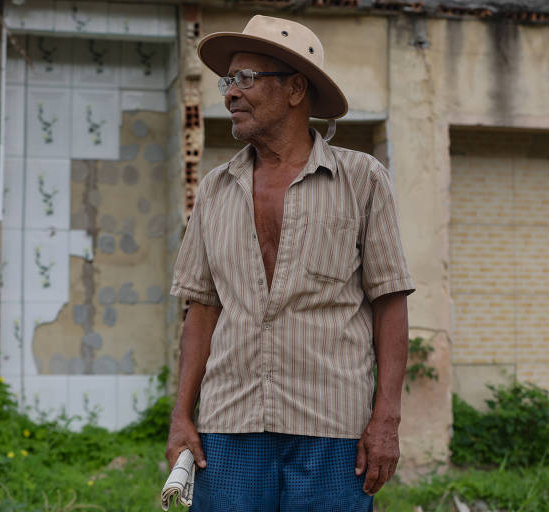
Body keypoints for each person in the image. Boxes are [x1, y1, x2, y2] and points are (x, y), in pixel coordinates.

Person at [166, 15, 415, 511]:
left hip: (332, 429)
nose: (230, 94)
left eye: (245, 79)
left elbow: (389, 302)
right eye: (227, 81)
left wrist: (386, 417)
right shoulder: (215, 189)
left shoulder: (362, 180)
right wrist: (181, 416)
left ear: (296, 89)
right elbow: (202, 309)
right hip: (230, 426)